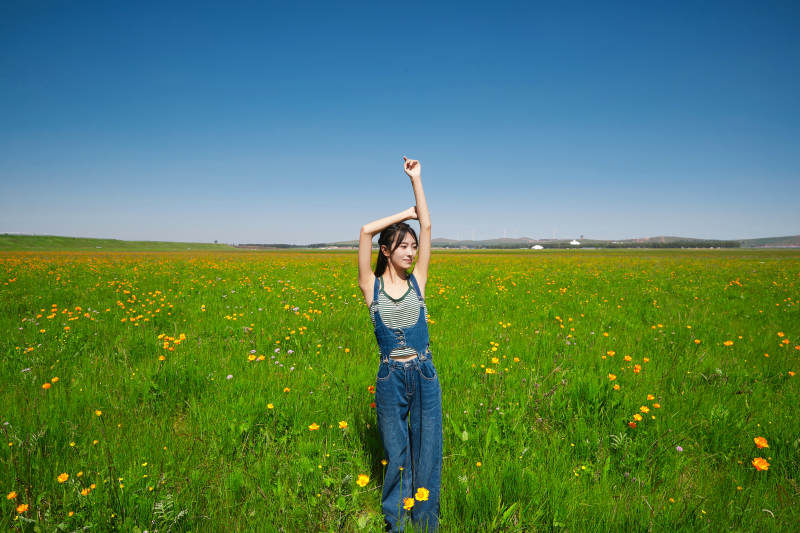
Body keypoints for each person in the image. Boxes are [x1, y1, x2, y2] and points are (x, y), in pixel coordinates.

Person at [358, 156, 442, 532]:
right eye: (402, 246)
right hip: (390, 379)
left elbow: (426, 225)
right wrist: (399, 215)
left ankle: (425, 522)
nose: (410, 251)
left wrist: (416, 181)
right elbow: (363, 231)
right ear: (387, 251)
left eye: (413, 246)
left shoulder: (417, 282)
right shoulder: (370, 287)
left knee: (427, 453)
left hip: (424, 375)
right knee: (396, 453)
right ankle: (395, 522)